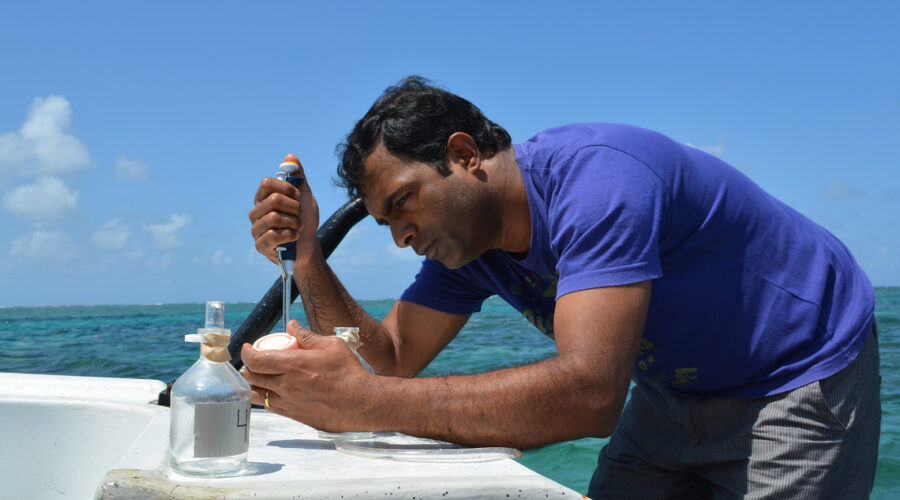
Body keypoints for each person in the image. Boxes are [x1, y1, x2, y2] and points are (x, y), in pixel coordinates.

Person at [244, 76, 880, 498]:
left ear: (464, 155)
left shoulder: (599, 185)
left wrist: (363, 403)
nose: (401, 237)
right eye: (387, 223)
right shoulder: (472, 247)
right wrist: (306, 257)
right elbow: (388, 360)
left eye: (405, 203)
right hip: (675, 392)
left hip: (796, 374)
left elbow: (590, 395)